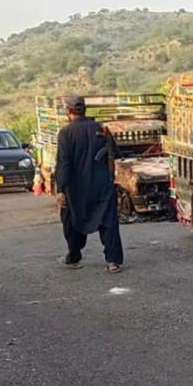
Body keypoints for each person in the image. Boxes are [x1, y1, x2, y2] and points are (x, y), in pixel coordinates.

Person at [56, 95, 124, 273]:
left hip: (76, 188)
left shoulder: (65, 133)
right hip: (102, 184)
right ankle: (113, 261)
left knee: (70, 220)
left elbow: (64, 163)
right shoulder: (100, 128)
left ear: (68, 111)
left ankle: (74, 255)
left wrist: (61, 189)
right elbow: (115, 153)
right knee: (108, 222)